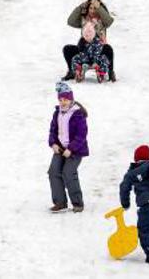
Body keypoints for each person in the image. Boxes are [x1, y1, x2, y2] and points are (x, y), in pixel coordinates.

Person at [47, 82, 88, 213]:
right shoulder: (57, 113)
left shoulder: (77, 114)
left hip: (75, 150)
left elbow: (81, 135)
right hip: (60, 149)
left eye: (65, 99)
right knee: (53, 171)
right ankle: (60, 202)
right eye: (60, 99)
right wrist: (53, 143)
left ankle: (77, 203)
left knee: (68, 172)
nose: (63, 102)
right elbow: (53, 130)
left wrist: (71, 149)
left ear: (71, 99)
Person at [62, 0, 116, 81]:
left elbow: (109, 21)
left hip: (98, 51)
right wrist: (80, 7)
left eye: (95, 8)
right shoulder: (83, 19)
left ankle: (110, 72)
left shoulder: (102, 20)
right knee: (67, 48)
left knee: (108, 49)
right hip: (84, 51)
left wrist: (100, 7)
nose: (92, 11)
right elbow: (70, 21)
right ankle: (72, 72)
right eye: (90, 8)